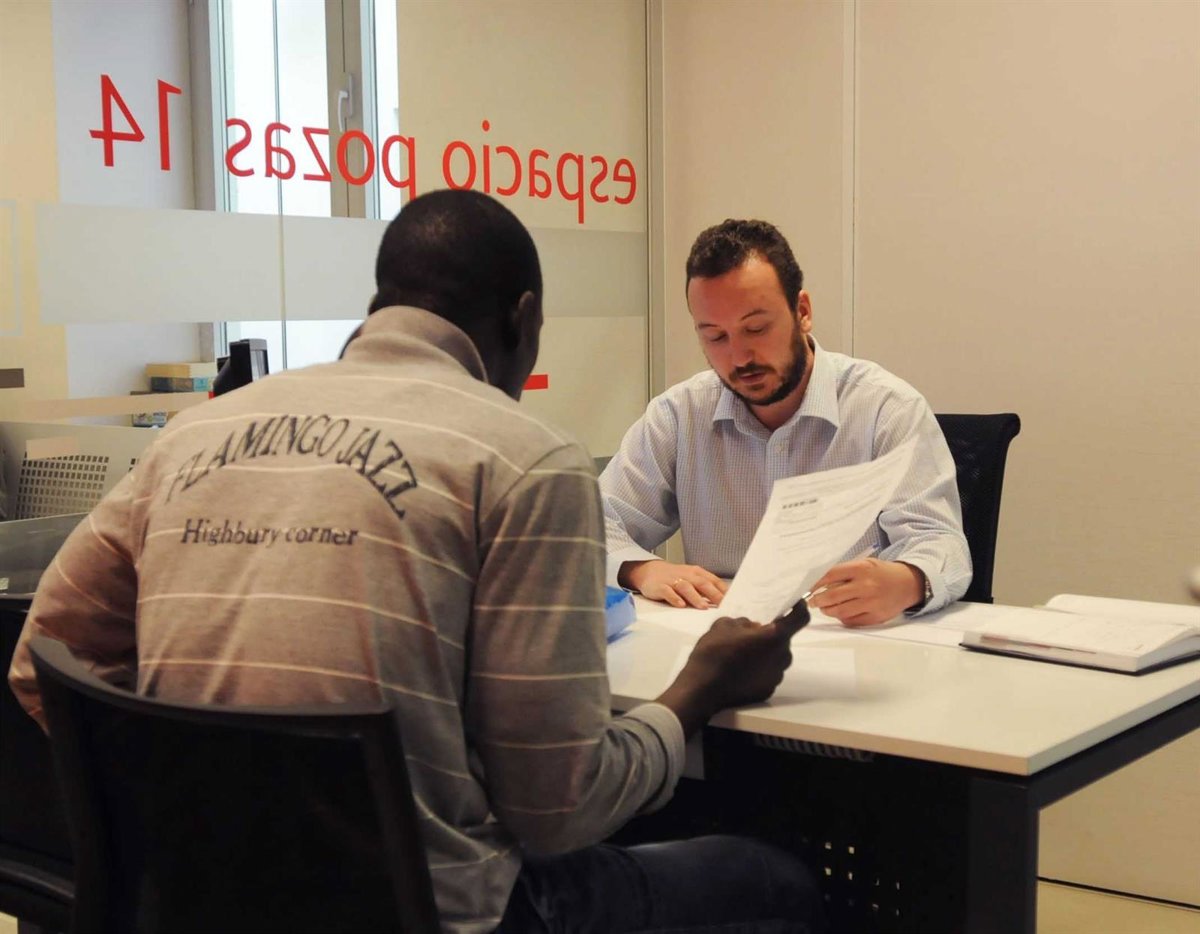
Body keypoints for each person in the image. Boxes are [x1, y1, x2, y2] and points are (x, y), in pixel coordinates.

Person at [8, 191, 825, 934]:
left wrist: (199, 813)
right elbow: (557, 811)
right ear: (524, 319)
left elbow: (43, 658)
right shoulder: (526, 460)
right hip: (438, 915)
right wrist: (698, 689)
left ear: (380, 305)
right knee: (774, 880)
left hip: (196, 902)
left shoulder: (193, 435)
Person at [601, 218, 971, 627]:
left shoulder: (886, 408)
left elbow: (940, 543)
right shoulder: (679, 415)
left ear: (802, 312)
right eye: (715, 337)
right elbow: (589, 528)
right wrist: (641, 569)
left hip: (852, 640)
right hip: (720, 640)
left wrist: (908, 580)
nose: (740, 357)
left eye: (756, 328)